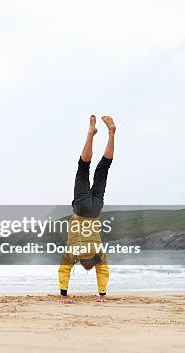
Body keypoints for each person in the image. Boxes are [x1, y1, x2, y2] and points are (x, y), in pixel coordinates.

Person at [58, 115, 116, 303]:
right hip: (82, 209)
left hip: (95, 209)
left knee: (103, 169)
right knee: (83, 168)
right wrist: (63, 293)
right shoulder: (74, 252)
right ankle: (93, 134)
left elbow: (102, 268)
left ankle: (109, 134)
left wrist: (102, 294)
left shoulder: (98, 252)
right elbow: (64, 269)